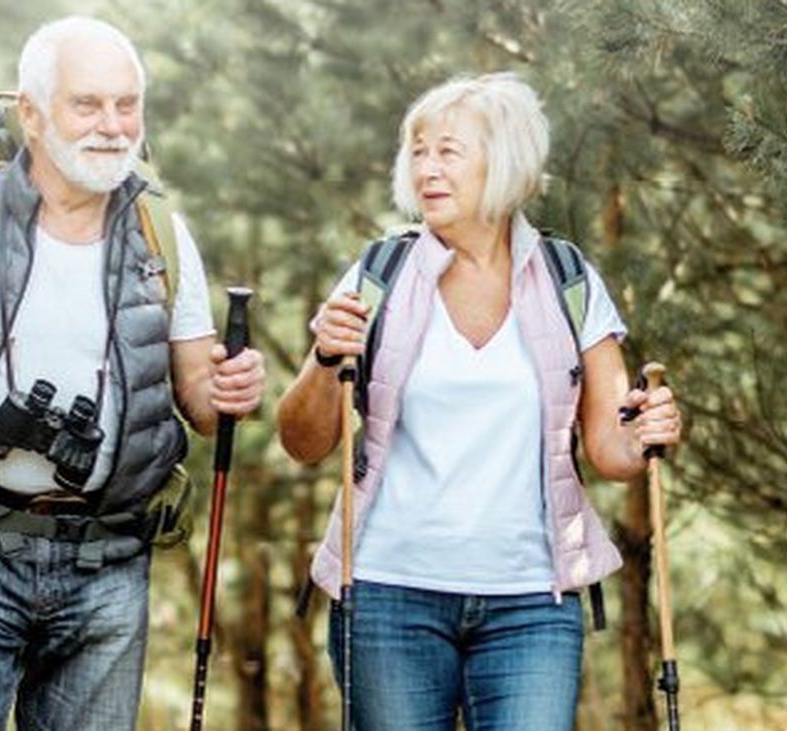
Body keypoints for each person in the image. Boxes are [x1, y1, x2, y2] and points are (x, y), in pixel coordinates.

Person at [0, 16, 265, 731]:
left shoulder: (162, 230)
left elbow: (199, 395)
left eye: (127, 105)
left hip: (106, 563)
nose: (113, 126)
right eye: (87, 104)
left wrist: (230, 391)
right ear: (33, 116)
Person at [276, 72, 683, 730]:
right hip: (388, 593)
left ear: (506, 161)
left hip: (532, 603)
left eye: (448, 151)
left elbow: (613, 449)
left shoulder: (567, 277)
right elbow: (302, 441)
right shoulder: (379, 274)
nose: (426, 169)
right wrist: (325, 358)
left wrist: (649, 430)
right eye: (418, 152)